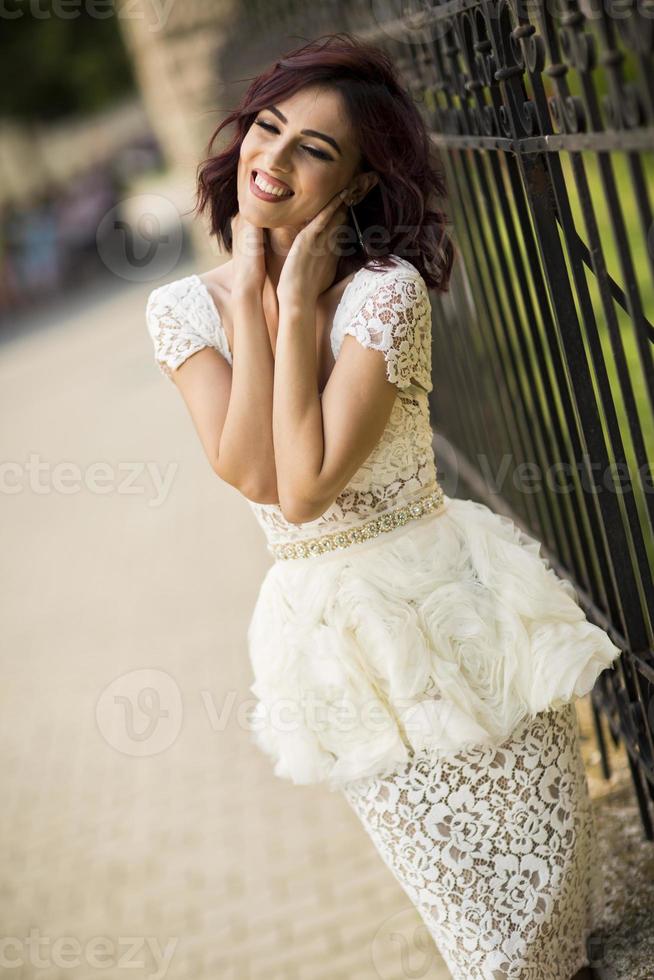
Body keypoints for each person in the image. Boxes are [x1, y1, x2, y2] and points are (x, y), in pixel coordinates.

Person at [145, 32, 621, 980]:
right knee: (473, 932)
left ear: (360, 183)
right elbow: (254, 474)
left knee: (543, 929)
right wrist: (250, 300)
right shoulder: (183, 311)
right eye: (267, 128)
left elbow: (310, 481)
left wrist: (288, 292)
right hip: (341, 645)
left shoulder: (384, 294)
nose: (271, 161)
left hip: (455, 611)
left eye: (313, 149)